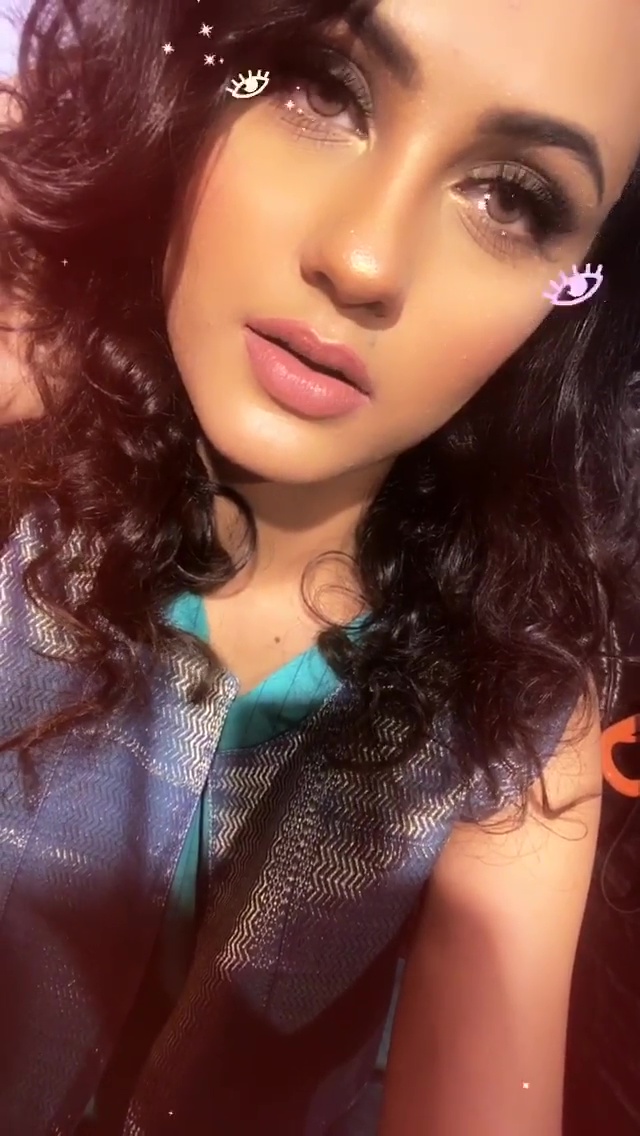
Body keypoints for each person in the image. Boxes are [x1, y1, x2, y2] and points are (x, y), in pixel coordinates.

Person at [0, 0, 639, 1133]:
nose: (362, 259)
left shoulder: (516, 717)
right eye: (317, 85)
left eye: (512, 199)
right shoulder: (21, 490)